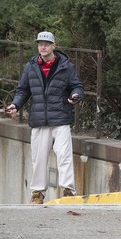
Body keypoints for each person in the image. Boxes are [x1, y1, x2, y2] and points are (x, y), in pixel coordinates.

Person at [7, 31, 84, 204]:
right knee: (39, 158)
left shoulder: (66, 65)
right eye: (40, 44)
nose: (43, 47)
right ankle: (37, 193)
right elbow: (23, 90)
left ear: (54, 46)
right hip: (39, 120)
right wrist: (16, 105)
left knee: (64, 156)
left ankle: (68, 191)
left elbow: (77, 86)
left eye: (46, 44)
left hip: (61, 118)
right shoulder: (31, 66)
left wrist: (76, 95)